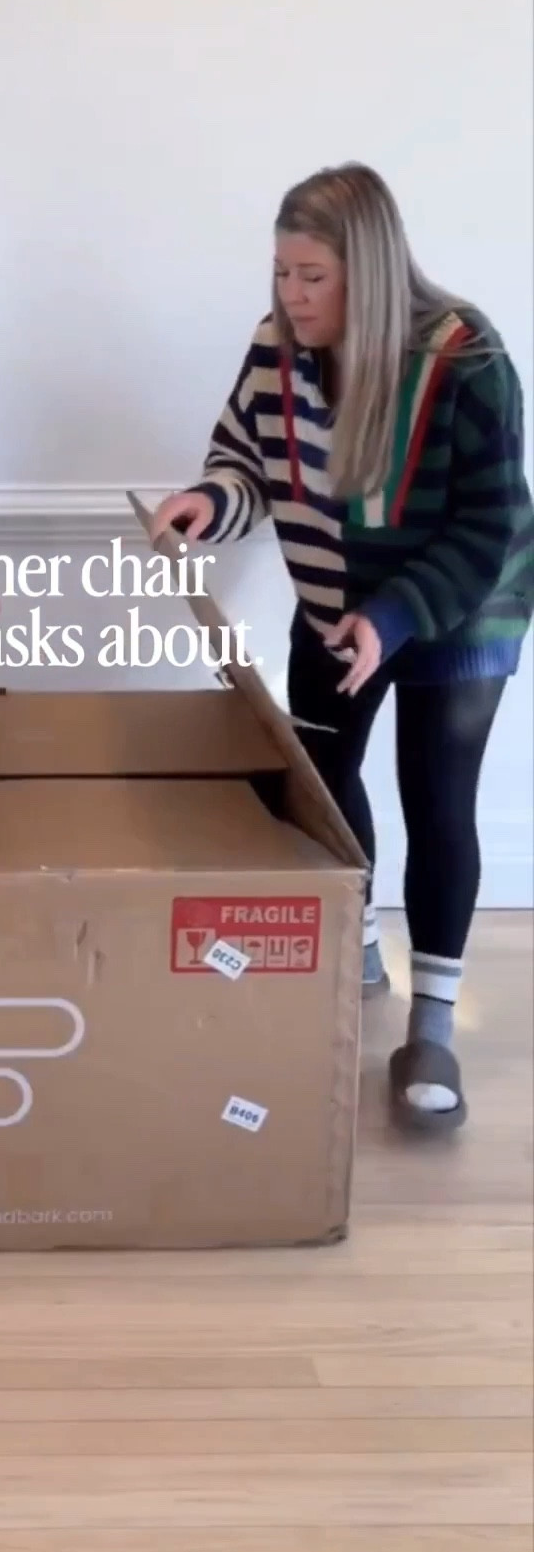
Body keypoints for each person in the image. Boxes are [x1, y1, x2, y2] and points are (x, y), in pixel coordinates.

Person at [150, 161, 534, 1135]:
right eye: (281, 272)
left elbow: (487, 525)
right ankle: (354, 935)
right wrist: (209, 506)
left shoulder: (466, 359)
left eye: (311, 275)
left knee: (435, 798)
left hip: (462, 602)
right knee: (320, 773)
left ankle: (433, 1027)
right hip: (334, 595)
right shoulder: (274, 348)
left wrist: (394, 619)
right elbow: (242, 459)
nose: (290, 295)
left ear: (365, 270)